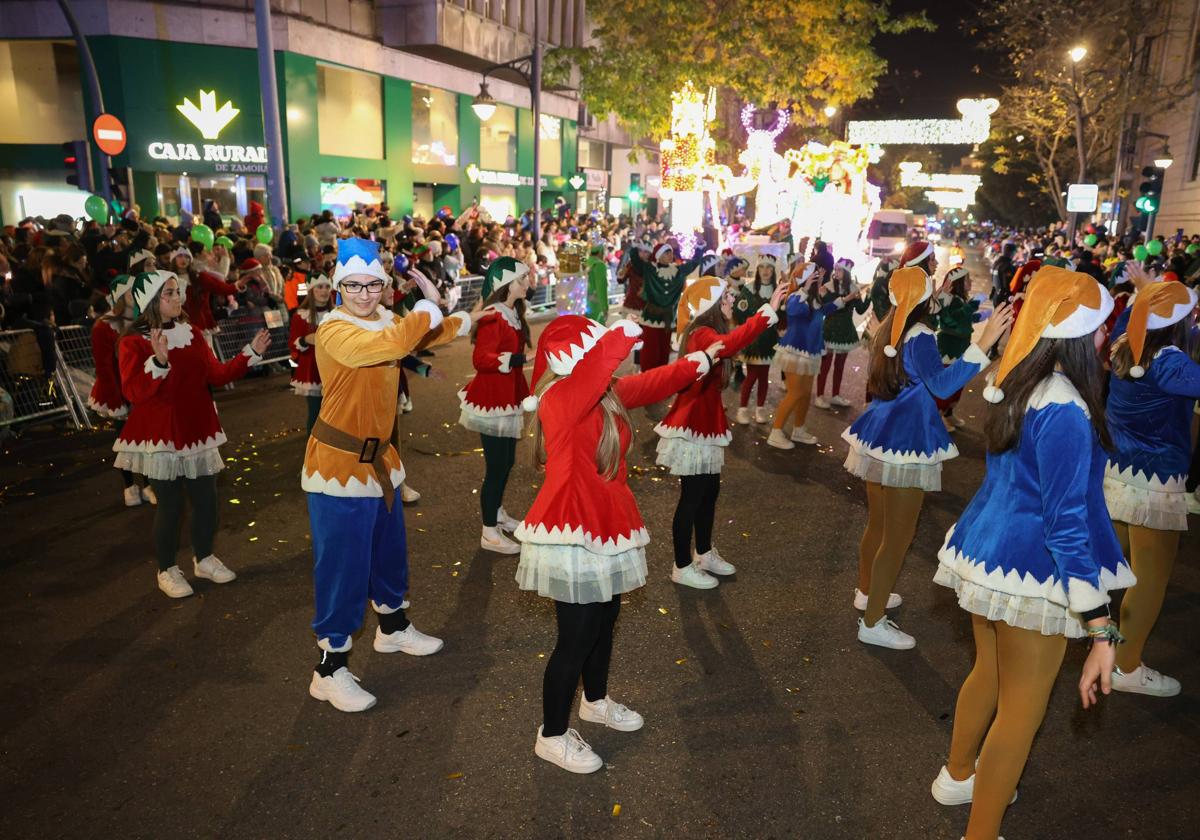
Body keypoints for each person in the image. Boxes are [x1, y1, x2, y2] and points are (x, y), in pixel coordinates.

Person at [930, 265, 1133, 840]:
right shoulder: (1066, 406)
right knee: (1021, 713)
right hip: (1035, 572)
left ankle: (959, 775)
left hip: (988, 554)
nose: (1106, 341)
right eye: (1100, 329)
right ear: (1075, 334)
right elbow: (1066, 526)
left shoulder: (1017, 378)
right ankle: (980, 830)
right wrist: (1102, 632)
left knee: (988, 675)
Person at [515, 314, 720, 773]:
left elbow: (649, 383)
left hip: (607, 521)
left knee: (606, 617)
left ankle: (595, 701)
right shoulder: (561, 396)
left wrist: (696, 363)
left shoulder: (601, 393)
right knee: (577, 635)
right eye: (593, 351)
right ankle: (550, 734)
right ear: (575, 356)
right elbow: (600, 369)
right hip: (571, 526)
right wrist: (621, 334)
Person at [303, 238, 474, 713]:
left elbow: (424, 337)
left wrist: (456, 313)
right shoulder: (334, 329)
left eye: (372, 283)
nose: (363, 293)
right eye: (353, 285)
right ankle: (329, 669)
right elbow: (396, 343)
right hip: (337, 467)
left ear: (383, 283)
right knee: (342, 568)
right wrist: (424, 309)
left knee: (387, 553)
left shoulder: (385, 319)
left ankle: (393, 629)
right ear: (339, 287)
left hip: (381, 464)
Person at [843, 262, 1012, 647]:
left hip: (879, 430)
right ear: (923, 299)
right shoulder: (919, 335)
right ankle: (872, 622)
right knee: (897, 537)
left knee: (878, 526)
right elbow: (942, 385)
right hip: (907, 437)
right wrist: (982, 344)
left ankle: (868, 593)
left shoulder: (888, 326)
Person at [113, 270, 269, 598]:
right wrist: (158, 360)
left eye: (178, 291)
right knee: (170, 506)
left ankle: (204, 557)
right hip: (161, 434)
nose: (178, 298)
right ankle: (167, 569)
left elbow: (215, 372)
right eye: (170, 293)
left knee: (207, 501)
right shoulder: (132, 342)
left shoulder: (193, 333)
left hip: (197, 429)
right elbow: (133, 393)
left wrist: (248, 354)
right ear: (153, 300)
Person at [656, 276, 786, 589]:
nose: (731, 300)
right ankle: (681, 564)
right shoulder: (702, 334)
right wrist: (768, 311)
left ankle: (702, 552)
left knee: (709, 492)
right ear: (712, 304)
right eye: (725, 296)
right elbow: (731, 344)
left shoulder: (707, 331)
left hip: (707, 418)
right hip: (693, 422)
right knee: (692, 496)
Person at [1103, 280, 1199, 696]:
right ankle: (1126, 668)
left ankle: (1093, 639)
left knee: (1113, 569)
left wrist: (1147, 293)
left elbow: (1131, 315)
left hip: (1116, 471)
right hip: (1156, 481)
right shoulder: (1172, 363)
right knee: (1148, 582)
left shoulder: (1126, 342)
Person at [457, 257, 532, 554]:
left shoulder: (512, 313)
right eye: (522, 279)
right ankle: (489, 533)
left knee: (507, 463)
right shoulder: (494, 315)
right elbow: (481, 360)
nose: (528, 284)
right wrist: (520, 359)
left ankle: (497, 513)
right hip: (491, 400)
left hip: (507, 397)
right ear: (506, 284)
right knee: (497, 466)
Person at [768, 262, 860, 449]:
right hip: (795, 351)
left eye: (817, 276)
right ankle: (775, 432)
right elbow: (792, 309)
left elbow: (823, 310)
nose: (818, 278)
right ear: (805, 279)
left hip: (811, 351)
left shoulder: (813, 298)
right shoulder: (795, 296)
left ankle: (798, 429)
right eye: (813, 276)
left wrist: (846, 298)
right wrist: (807, 287)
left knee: (805, 395)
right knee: (794, 393)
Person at [88, 274, 154, 507]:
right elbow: (104, 368)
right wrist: (119, 399)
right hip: (117, 391)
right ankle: (129, 486)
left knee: (147, 439)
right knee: (126, 441)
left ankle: (148, 483)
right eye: (129, 292)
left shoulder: (142, 320)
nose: (134, 296)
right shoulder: (103, 327)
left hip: (140, 389)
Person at [626, 243, 705, 371]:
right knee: (650, 351)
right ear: (658, 256)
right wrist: (635, 245)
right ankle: (648, 377)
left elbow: (693, 263)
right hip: (651, 318)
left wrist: (700, 248)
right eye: (666, 253)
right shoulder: (650, 269)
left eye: (670, 252)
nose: (670, 255)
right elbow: (635, 260)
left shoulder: (677, 271)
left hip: (668, 319)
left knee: (664, 351)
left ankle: (661, 377)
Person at [933, 266, 987, 430]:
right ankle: (936, 419)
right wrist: (974, 304)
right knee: (949, 386)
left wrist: (980, 316)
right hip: (949, 348)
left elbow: (964, 320)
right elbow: (952, 321)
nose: (970, 282)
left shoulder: (959, 300)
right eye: (967, 280)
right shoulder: (952, 299)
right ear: (958, 283)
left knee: (958, 386)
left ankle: (948, 414)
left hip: (960, 347)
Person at [815, 258, 870, 410]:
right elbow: (828, 306)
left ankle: (835, 395)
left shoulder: (852, 287)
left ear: (846, 273)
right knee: (825, 365)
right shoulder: (828, 286)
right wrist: (847, 298)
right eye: (835, 269)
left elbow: (860, 309)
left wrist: (868, 296)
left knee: (840, 365)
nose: (836, 272)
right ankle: (819, 395)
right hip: (830, 329)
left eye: (839, 269)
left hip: (845, 331)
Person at [734, 255, 783, 424]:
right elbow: (739, 312)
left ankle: (760, 408)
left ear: (773, 270)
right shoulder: (748, 289)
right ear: (757, 270)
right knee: (752, 375)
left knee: (764, 376)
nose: (765, 271)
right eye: (762, 267)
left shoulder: (778, 290)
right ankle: (743, 408)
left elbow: (782, 315)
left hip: (770, 340)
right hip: (753, 340)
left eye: (769, 267)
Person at [288, 272, 333, 433]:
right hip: (313, 371)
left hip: (336, 370)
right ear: (311, 290)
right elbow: (293, 344)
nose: (324, 291)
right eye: (320, 287)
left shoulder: (337, 315)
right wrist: (305, 340)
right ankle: (313, 450)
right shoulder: (300, 316)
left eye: (327, 286)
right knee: (316, 413)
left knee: (335, 413)